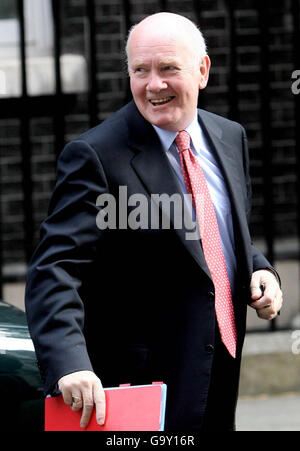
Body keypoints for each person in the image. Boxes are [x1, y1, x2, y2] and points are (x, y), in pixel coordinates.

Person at [25, 12, 283, 431]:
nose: (153, 85)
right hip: (141, 390)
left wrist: (259, 268)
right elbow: (55, 267)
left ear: (202, 71)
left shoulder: (229, 137)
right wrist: (69, 363)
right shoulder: (96, 156)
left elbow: (214, 232)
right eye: (140, 70)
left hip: (218, 374)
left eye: (168, 69)